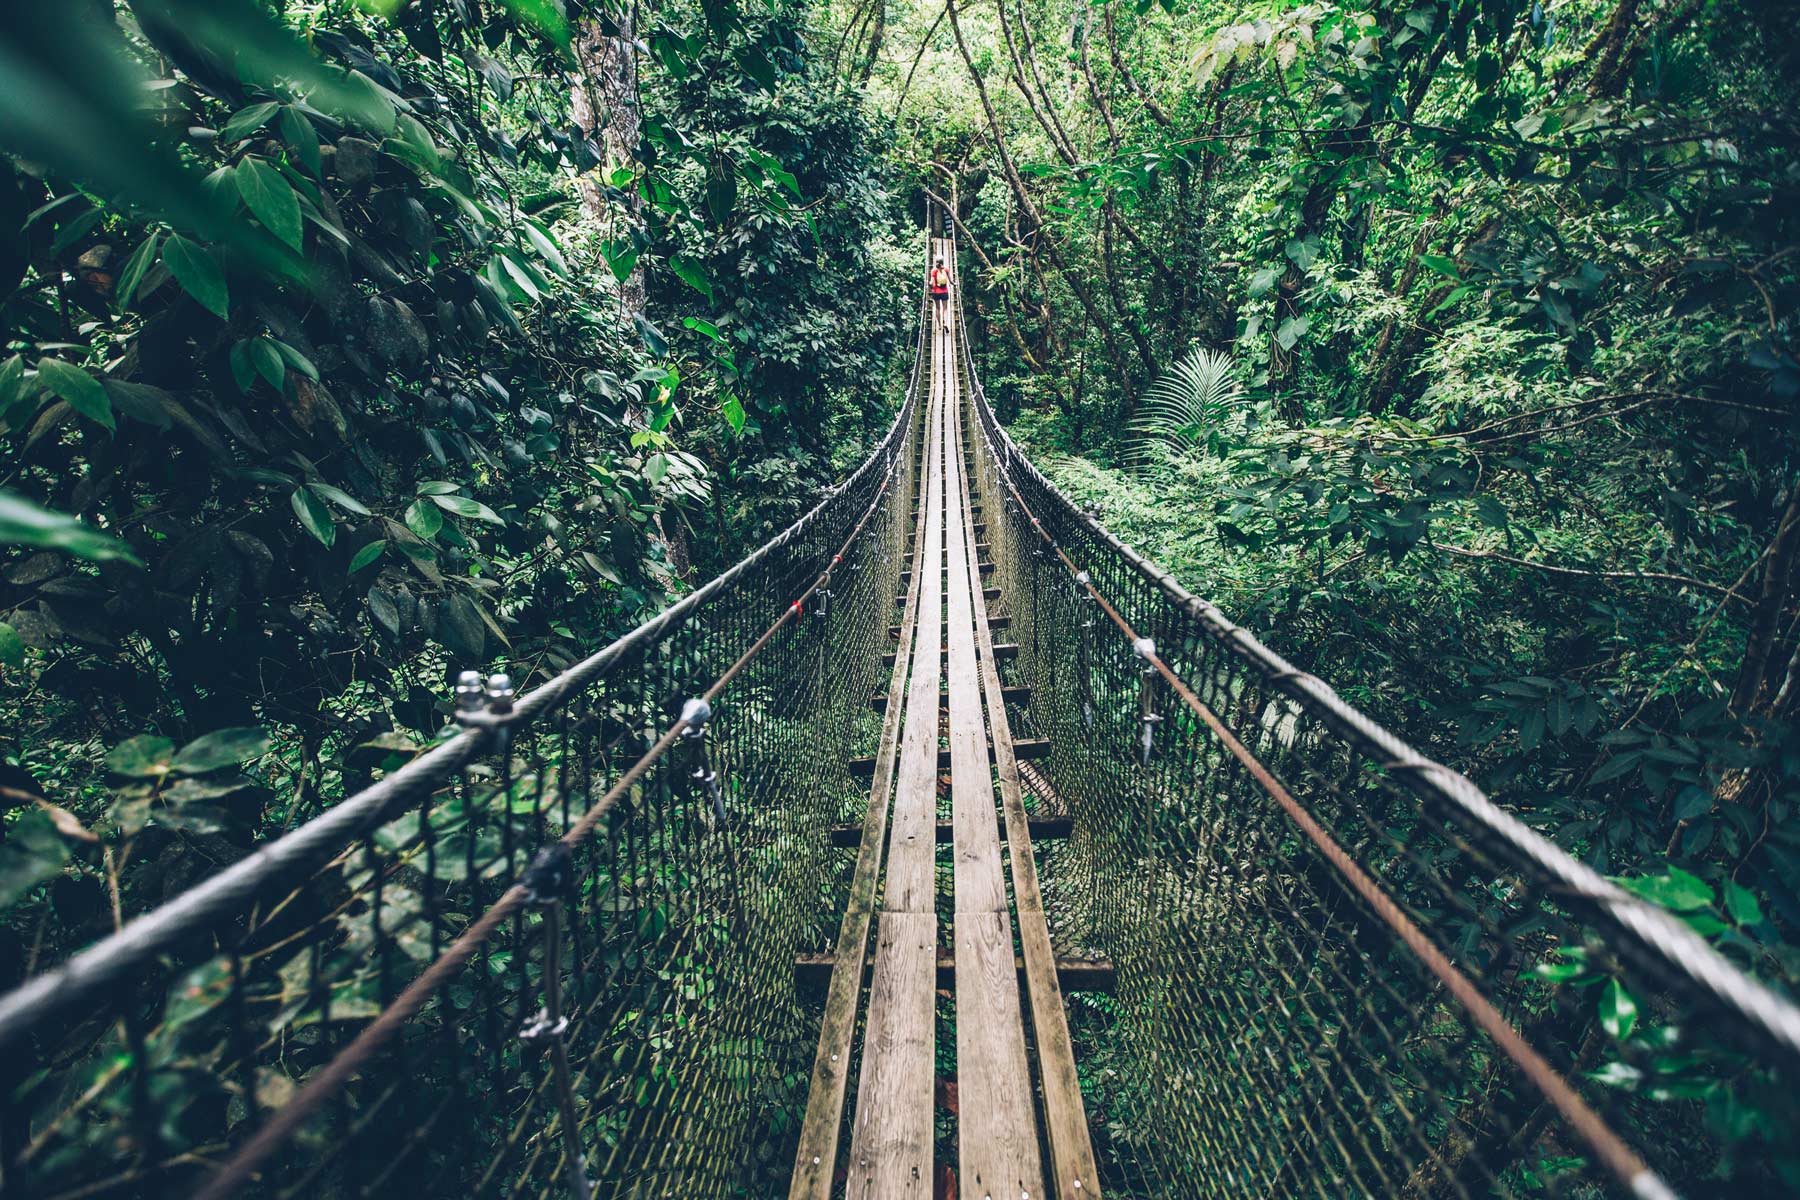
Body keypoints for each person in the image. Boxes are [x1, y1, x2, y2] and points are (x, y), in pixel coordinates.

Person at [929, 256, 951, 330]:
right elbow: (951, 281)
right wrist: (955, 284)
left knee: (938, 308)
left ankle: (939, 325)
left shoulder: (933, 271)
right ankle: (945, 323)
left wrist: (930, 285)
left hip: (936, 292)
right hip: (944, 291)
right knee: (945, 308)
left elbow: (931, 282)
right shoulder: (946, 269)